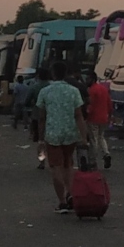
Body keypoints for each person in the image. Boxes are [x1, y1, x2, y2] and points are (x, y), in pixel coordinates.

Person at [35, 62, 88, 213]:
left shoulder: (45, 92)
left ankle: (62, 202)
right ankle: (70, 193)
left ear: (52, 73)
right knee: (68, 164)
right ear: (65, 73)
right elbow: (79, 116)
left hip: (53, 134)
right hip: (70, 133)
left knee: (55, 167)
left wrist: (40, 139)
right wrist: (84, 137)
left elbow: (42, 118)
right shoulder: (74, 91)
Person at [84, 73, 113, 170]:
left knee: (93, 139)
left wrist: (86, 114)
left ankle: (93, 160)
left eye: (87, 79)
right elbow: (109, 104)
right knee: (101, 137)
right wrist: (109, 116)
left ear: (92, 79)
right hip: (104, 117)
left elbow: (90, 105)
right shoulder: (104, 89)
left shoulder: (91, 90)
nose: (86, 81)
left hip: (93, 118)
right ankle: (106, 153)